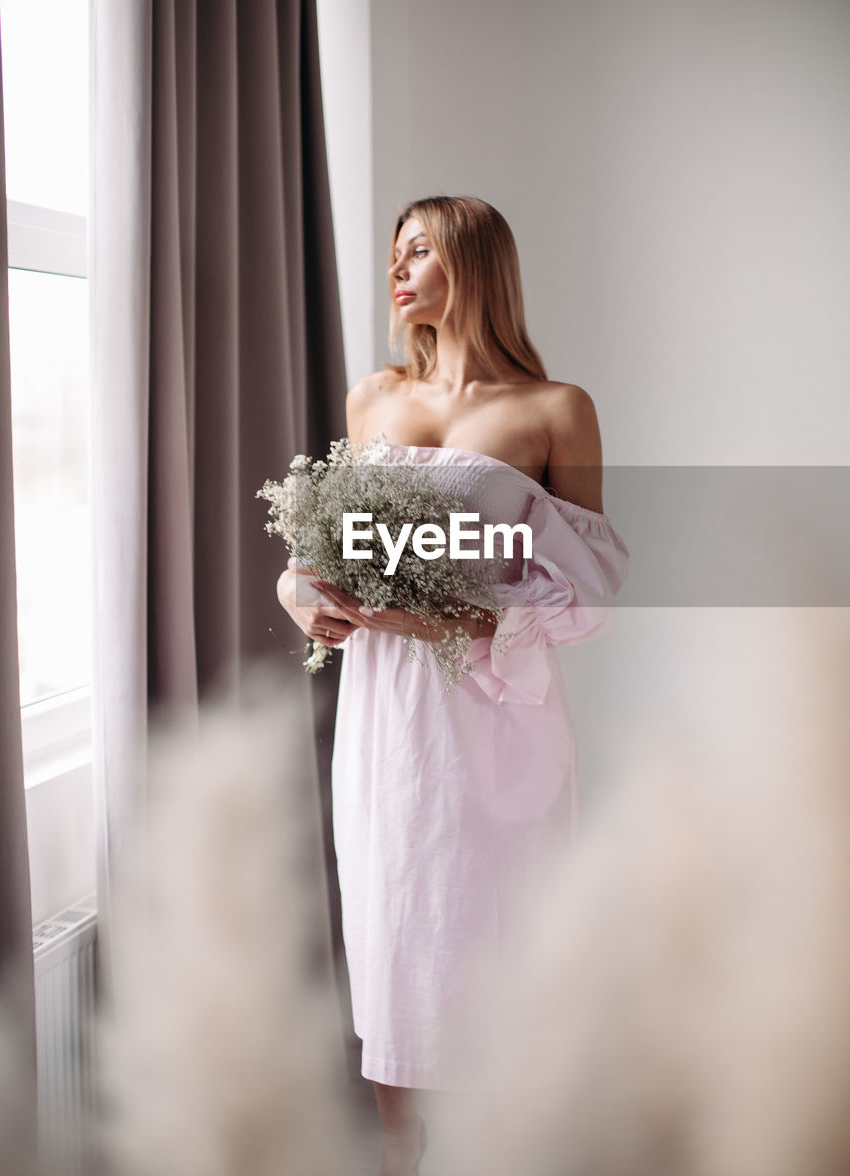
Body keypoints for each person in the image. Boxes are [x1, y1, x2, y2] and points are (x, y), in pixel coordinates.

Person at [276, 195, 628, 1176]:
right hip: (388, 718)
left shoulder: (555, 409)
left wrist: (443, 618)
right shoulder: (373, 395)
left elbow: (591, 589)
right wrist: (300, 591)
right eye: (394, 252)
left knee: (501, 931)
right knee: (397, 920)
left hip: (496, 714)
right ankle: (398, 1156)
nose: (397, 269)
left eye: (418, 249)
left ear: (473, 261)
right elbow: (319, 548)